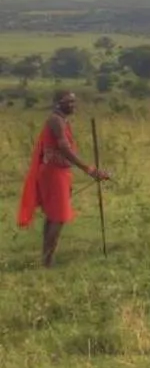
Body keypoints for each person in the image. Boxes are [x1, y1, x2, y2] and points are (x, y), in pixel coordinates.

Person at [17, 91, 110, 267]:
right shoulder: (55, 120)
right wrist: (89, 169)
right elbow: (65, 148)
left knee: (53, 216)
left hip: (59, 172)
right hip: (53, 173)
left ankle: (46, 259)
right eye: (68, 102)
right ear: (57, 103)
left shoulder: (61, 120)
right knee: (58, 217)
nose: (72, 105)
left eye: (74, 102)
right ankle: (48, 261)